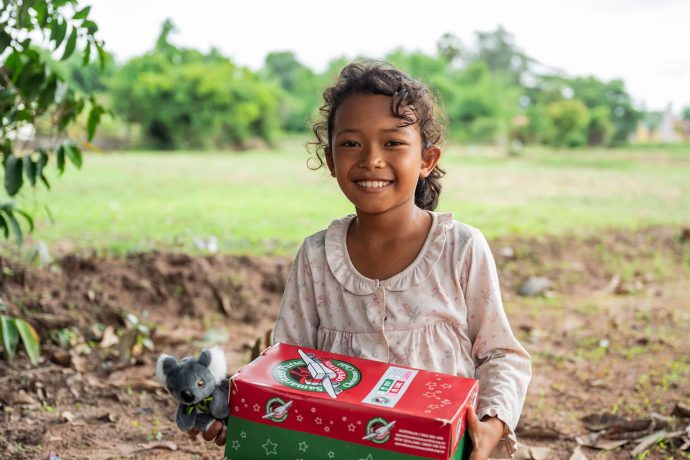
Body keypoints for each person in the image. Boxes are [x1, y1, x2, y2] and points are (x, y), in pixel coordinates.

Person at [198, 60, 531, 459]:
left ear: (426, 159)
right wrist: (244, 409)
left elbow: (501, 355)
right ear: (332, 159)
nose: (372, 159)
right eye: (352, 143)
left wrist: (491, 425)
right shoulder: (318, 257)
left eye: (392, 143)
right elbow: (287, 365)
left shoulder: (460, 248)